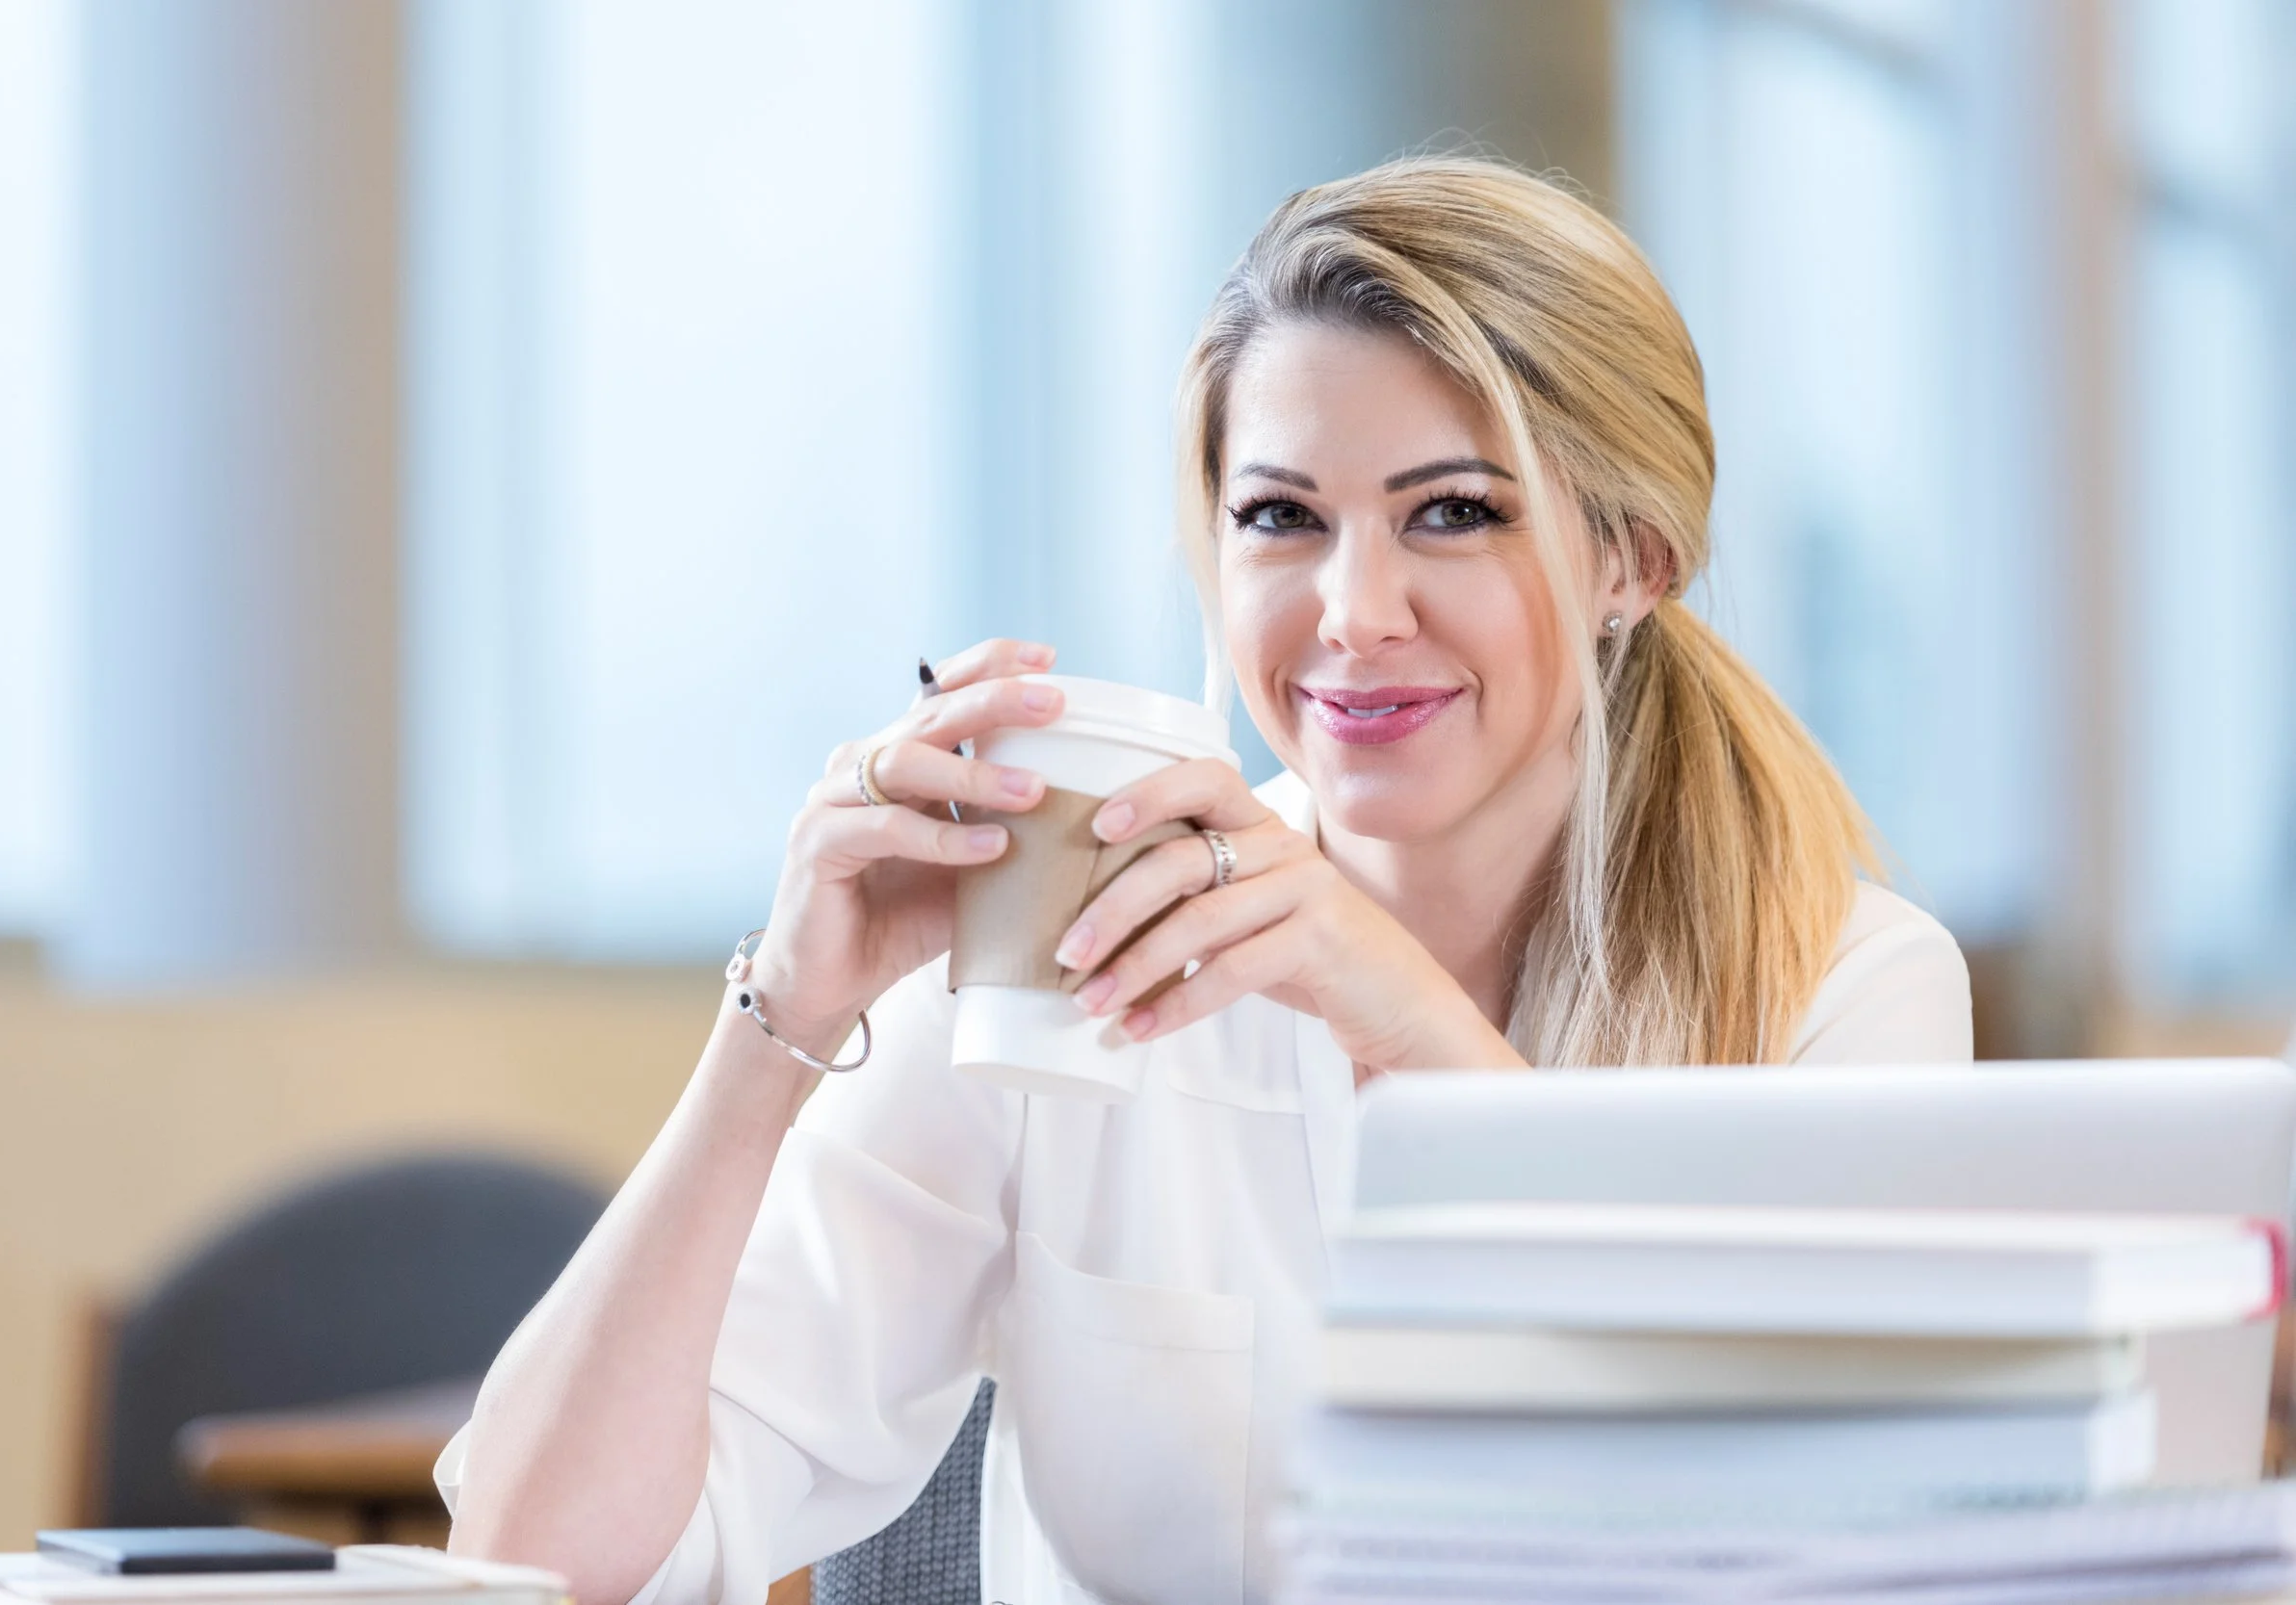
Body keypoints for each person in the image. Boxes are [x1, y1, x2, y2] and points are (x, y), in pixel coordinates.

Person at [436, 157, 1973, 1605]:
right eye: (1282, 519)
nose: (1355, 611)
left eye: (1454, 511)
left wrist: (1409, 1028)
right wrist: (779, 1017)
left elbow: (1814, 1550)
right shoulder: (1060, 956)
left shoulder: (1847, 991)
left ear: (1632, 559)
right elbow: (535, 1558)